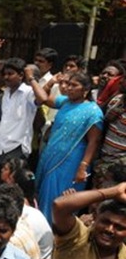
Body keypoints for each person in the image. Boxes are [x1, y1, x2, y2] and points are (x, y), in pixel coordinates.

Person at [34, 71, 104, 223]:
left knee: (60, 199)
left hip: (71, 162)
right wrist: (47, 82)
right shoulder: (65, 102)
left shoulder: (93, 112)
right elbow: (43, 99)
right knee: (43, 193)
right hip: (50, 155)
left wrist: (83, 167)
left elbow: (93, 142)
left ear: (85, 90)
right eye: (68, 84)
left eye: (74, 85)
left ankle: (58, 236)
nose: (69, 88)